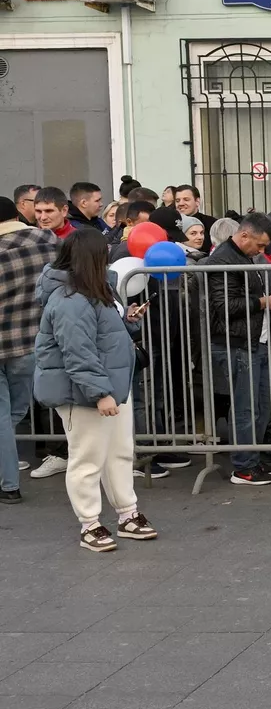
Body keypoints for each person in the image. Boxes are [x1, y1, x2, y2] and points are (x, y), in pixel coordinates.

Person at [31, 230, 156, 551]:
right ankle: (90, 523)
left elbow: (101, 335)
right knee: (87, 459)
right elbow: (78, 351)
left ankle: (127, 514)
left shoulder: (94, 290)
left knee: (118, 453)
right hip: (86, 391)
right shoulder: (71, 300)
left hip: (106, 386)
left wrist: (128, 319)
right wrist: (100, 392)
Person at [202, 215, 271, 486]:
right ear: (245, 236)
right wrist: (264, 302)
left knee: (262, 405)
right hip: (236, 344)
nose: (261, 252)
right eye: (259, 246)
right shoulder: (222, 261)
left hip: (253, 342)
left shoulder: (242, 257)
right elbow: (225, 307)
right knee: (246, 408)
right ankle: (244, 466)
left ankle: (250, 460)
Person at [0, 198, 58, 502]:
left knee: (3, 415)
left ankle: (8, 484)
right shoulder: (48, 240)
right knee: (14, 412)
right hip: (30, 340)